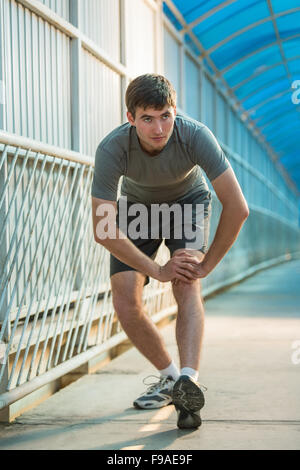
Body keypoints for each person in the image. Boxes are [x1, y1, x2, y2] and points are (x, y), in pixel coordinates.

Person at [91, 74, 249, 429]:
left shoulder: (194, 135)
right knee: (125, 301)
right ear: (130, 118)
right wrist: (156, 269)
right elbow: (103, 228)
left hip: (187, 203)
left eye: (165, 115)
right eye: (147, 118)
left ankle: (189, 381)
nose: (159, 127)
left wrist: (206, 265)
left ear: (174, 110)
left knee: (187, 283)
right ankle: (170, 378)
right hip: (136, 209)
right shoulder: (112, 148)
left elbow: (237, 207)